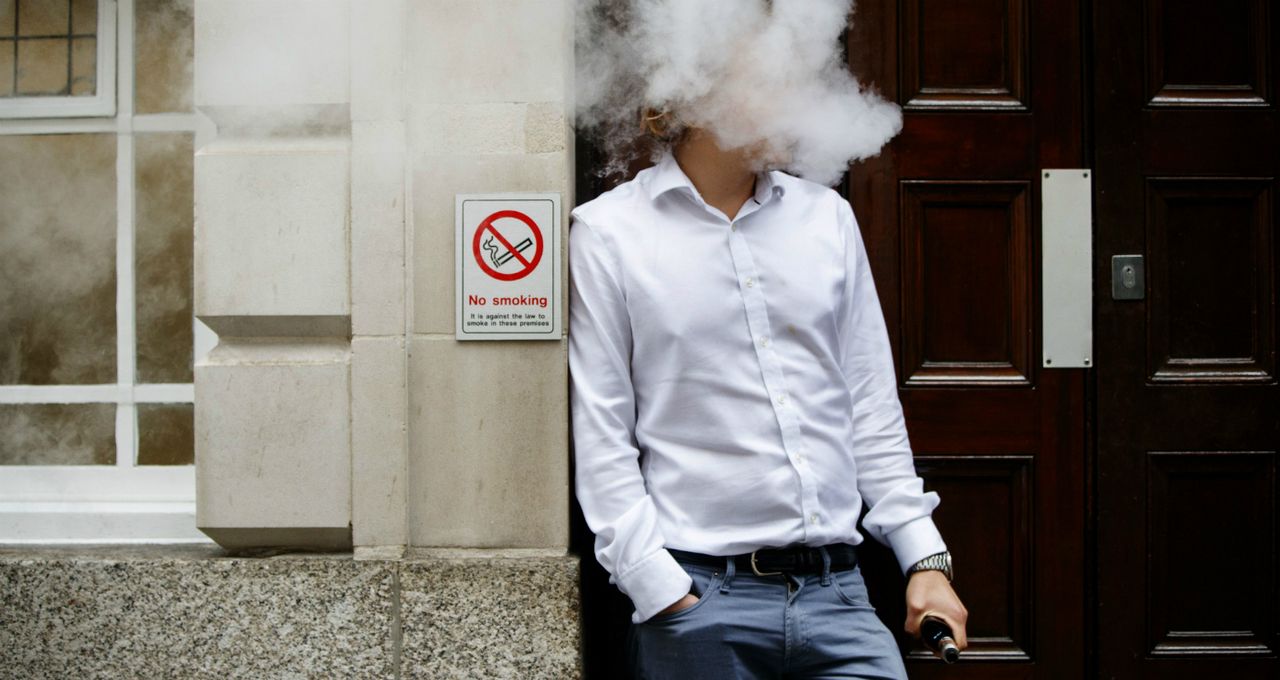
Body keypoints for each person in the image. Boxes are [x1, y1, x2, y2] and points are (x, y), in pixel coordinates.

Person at [568, 117, 969, 678]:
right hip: (700, 601)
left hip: (840, 595)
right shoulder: (608, 231)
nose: (791, 90)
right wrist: (657, 588)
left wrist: (924, 560)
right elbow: (601, 432)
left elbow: (869, 403)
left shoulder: (826, 215)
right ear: (690, 89)